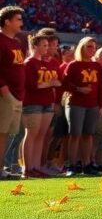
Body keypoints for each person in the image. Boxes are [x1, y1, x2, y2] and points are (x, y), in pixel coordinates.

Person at [63, 36, 102, 176]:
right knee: (75, 135)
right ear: (82, 47)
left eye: (94, 47)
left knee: (88, 135)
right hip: (76, 103)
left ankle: (87, 164)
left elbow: (100, 88)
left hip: (92, 105)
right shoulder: (73, 65)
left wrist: (100, 105)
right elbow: (65, 84)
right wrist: (78, 89)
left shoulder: (97, 66)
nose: (92, 49)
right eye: (89, 46)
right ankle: (72, 165)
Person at [21, 31, 60, 178]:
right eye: (44, 45)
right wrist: (49, 83)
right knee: (31, 134)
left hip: (46, 101)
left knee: (41, 136)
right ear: (35, 46)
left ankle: (36, 166)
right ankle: (27, 167)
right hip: (33, 102)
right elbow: (31, 85)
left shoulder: (44, 63)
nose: (47, 47)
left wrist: (50, 84)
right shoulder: (29, 63)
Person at [0, 6, 25, 181]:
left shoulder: (16, 42)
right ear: (7, 22)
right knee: (1, 133)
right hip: (5, 95)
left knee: (7, 134)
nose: (21, 22)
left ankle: (1, 168)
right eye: (17, 19)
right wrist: (6, 91)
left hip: (17, 95)